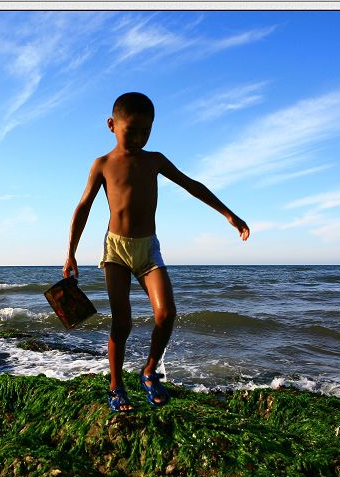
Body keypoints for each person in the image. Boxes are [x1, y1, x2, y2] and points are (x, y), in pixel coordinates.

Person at [63, 92, 250, 413]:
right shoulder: (103, 165)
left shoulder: (155, 160)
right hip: (116, 250)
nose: (137, 138)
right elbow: (83, 206)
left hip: (148, 247)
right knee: (122, 324)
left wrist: (228, 214)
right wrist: (70, 253)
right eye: (130, 130)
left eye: (145, 132)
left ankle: (149, 371)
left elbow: (192, 185)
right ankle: (115, 387)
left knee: (167, 314)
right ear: (111, 125)